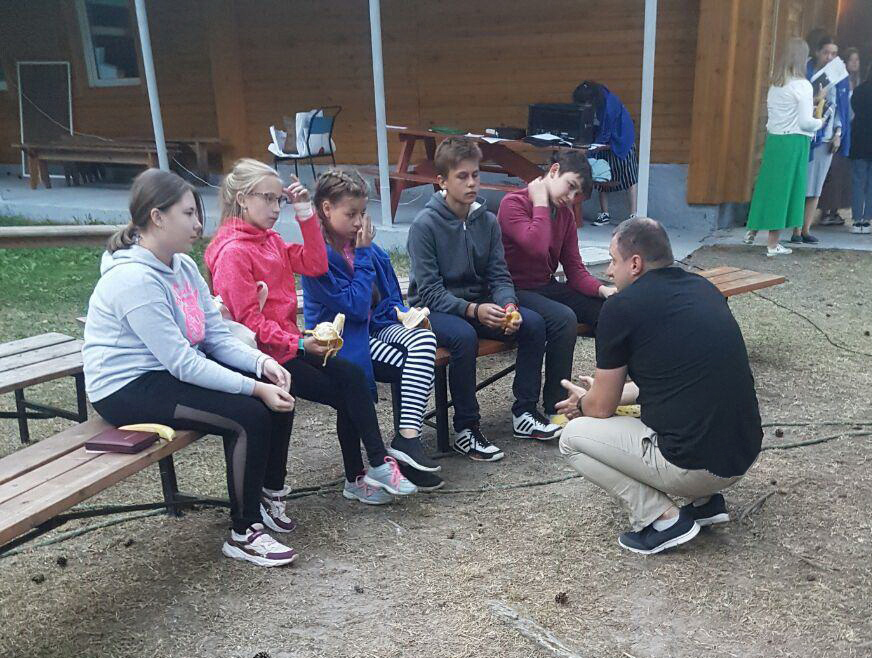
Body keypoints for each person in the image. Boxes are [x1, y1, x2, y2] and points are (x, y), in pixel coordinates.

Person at [83, 169, 300, 568]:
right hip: (125, 389)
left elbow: (215, 335)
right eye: (188, 213)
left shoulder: (180, 266)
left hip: (166, 373)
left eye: (198, 212)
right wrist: (253, 389)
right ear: (157, 217)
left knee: (274, 395)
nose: (199, 224)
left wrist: (262, 363)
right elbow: (182, 362)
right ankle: (245, 532)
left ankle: (267, 497)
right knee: (248, 414)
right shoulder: (133, 279)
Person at [204, 158, 417, 505]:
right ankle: (290, 488)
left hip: (285, 350)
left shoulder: (269, 240)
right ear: (243, 199)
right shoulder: (233, 253)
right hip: (260, 359)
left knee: (352, 379)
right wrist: (301, 343)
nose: (276, 209)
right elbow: (248, 324)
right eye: (268, 199)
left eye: (279, 200)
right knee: (348, 386)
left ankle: (372, 467)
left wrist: (305, 213)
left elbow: (315, 263)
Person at [557, 217, 762, 555]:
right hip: (742, 451)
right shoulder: (703, 288)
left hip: (693, 463)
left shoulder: (619, 308)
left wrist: (584, 402)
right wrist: (610, 391)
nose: (608, 271)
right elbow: (678, 378)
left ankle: (661, 520)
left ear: (635, 263)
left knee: (572, 438)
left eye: (612, 259)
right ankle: (706, 503)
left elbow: (600, 409)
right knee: (692, 406)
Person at [407, 137, 561, 462]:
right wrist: (473, 310)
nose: (472, 183)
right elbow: (430, 291)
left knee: (533, 323)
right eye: (462, 176)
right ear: (442, 181)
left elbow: (500, 275)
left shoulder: (486, 221)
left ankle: (524, 412)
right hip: (433, 309)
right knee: (463, 337)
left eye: (475, 175)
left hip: (479, 306)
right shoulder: (424, 226)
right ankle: (466, 428)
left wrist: (508, 306)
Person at [301, 169, 443, 490]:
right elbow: (353, 304)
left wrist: (407, 314)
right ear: (326, 209)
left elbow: (387, 297)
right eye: (350, 214)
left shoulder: (368, 249)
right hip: (342, 342)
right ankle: (365, 471)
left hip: (375, 328)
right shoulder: (318, 258)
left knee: (423, 340)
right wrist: (364, 254)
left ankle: (407, 440)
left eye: (362, 213)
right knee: (384, 374)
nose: (358, 222)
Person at [498, 150, 616, 426]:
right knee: (563, 318)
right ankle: (556, 405)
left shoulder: (563, 215)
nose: (571, 198)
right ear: (553, 171)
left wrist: (603, 290)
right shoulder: (512, 204)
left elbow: (574, 269)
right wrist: (540, 202)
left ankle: (609, 393)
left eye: (578, 196)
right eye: (570, 186)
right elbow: (536, 247)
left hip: (545, 286)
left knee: (609, 309)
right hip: (513, 290)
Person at [745, 37, 824, 255]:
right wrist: (821, 121)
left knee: (768, 187)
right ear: (802, 59)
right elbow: (805, 122)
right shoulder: (802, 85)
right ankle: (772, 244)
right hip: (794, 142)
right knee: (786, 191)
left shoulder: (776, 84)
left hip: (775, 139)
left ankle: (752, 228)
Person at [792, 34, 848, 244]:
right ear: (817, 52)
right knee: (803, 184)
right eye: (826, 52)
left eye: (834, 53)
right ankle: (795, 229)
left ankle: (806, 229)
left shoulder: (837, 76)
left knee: (816, 186)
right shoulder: (805, 72)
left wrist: (838, 133)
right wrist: (817, 97)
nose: (829, 57)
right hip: (807, 133)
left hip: (826, 135)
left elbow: (839, 107)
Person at [573, 80, 638, 226]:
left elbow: (605, 132)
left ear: (591, 98)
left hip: (621, 139)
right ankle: (604, 213)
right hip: (601, 141)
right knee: (602, 176)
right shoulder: (598, 99)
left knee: (629, 177)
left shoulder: (609, 105)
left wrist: (589, 152)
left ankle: (634, 213)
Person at [819, 47, 861, 226]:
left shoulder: (856, 82)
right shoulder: (839, 81)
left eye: (857, 60)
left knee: (840, 172)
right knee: (833, 171)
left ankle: (834, 208)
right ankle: (827, 209)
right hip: (838, 128)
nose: (855, 63)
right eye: (852, 60)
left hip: (848, 130)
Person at [850, 61, 872, 234]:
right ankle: (868, 219)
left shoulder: (858, 91)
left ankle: (857, 219)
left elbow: (854, 112)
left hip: (859, 140)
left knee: (858, 181)